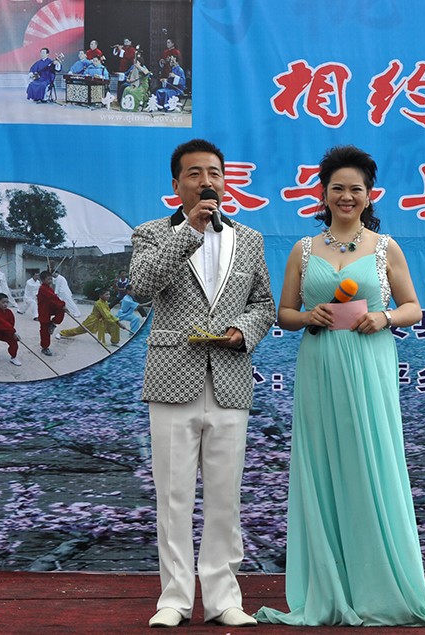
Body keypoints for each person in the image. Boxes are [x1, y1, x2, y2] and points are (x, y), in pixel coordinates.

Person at [254, 146, 425, 627]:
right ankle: (329, 585)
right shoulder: (304, 250)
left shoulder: (385, 248)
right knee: (323, 465)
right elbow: (284, 313)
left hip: (369, 361)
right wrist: (309, 316)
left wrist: (385, 317)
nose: (346, 196)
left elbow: (413, 307)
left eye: (355, 189)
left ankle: (379, 584)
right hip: (321, 363)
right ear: (323, 194)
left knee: (370, 459)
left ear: (369, 195)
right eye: (337, 188)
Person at [129, 138, 274, 628]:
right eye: (194, 174)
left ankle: (223, 598)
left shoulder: (248, 238)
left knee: (224, 495)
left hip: (230, 378)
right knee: (173, 495)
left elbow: (263, 304)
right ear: (177, 184)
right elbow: (142, 287)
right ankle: (173, 599)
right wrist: (188, 231)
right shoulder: (152, 233)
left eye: (214, 173)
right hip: (173, 378)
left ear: (225, 181)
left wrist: (243, 330)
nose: (206, 181)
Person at [37, 270, 65, 356]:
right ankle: (45, 347)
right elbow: (53, 297)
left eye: (51, 279)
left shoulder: (49, 288)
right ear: (43, 280)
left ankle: (53, 323)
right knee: (44, 330)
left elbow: (54, 298)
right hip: (44, 311)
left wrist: (61, 306)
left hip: (50, 308)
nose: (50, 281)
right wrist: (62, 304)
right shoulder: (42, 289)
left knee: (61, 310)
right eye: (48, 279)